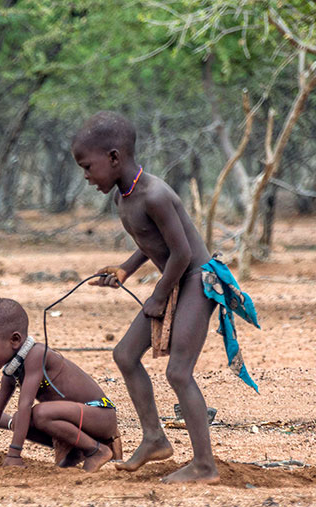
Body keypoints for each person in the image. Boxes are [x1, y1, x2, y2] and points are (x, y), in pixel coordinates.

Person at [71, 111, 259, 484]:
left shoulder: (154, 194)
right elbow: (150, 241)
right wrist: (125, 269)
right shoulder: (124, 197)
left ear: (114, 157)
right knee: (125, 354)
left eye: (87, 166)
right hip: (176, 278)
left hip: (197, 281)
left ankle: (205, 466)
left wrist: (158, 296)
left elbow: (183, 253)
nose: (86, 176)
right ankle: (155, 438)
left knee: (178, 371)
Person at [0, 297, 120, 473]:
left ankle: (96, 450)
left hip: (100, 416)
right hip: (84, 420)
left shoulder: (36, 354)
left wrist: (14, 454)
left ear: (14, 340)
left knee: (36, 413)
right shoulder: (14, 368)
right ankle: (78, 450)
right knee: (20, 421)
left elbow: (25, 404)